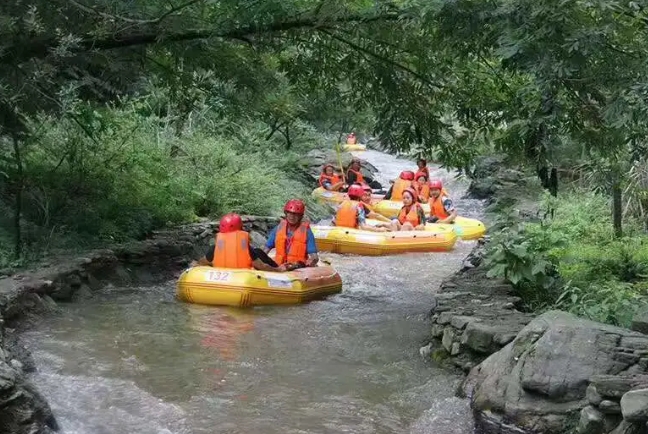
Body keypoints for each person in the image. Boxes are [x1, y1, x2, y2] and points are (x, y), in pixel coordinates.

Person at [193, 213, 284, 272]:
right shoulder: (246, 248)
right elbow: (262, 266)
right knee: (258, 252)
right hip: (243, 281)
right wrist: (278, 270)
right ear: (240, 227)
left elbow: (201, 262)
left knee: (258, 251)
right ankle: (277, 266)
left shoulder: (215, 248)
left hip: (222, 280)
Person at [264, 199, 319, 270]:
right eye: (289, 213)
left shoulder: (307, 232)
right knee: (259, 253)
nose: (292, 217)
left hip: (297, 268)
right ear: (286, 213)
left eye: (295, 214)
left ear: (300, 216)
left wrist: (305, 266)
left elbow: (314, 258)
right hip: (279, 266)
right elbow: (266, 249)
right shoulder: (278, 228)